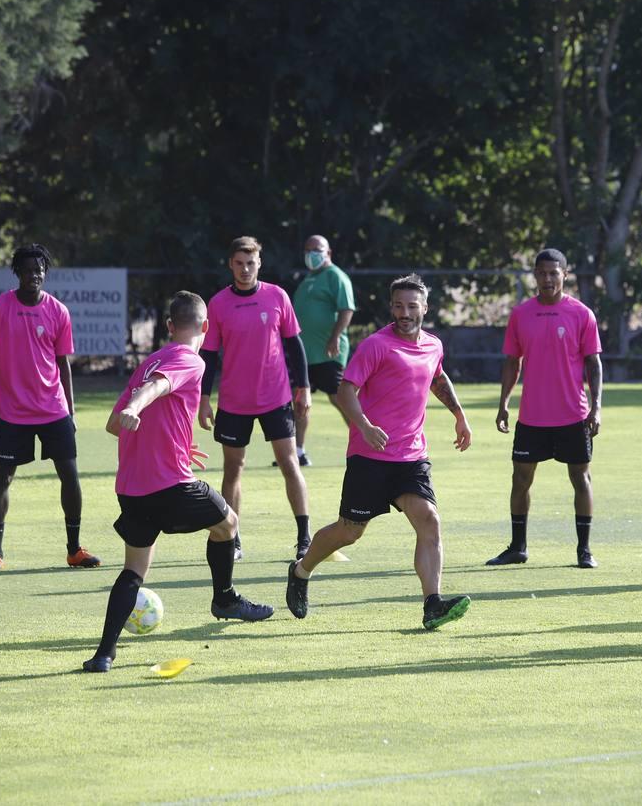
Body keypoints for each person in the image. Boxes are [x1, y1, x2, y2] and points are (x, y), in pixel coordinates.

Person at [83, 292, 273, 673]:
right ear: (205, 327)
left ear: (169, 326)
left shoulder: (149, 360)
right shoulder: (190, 360)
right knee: (229, 524)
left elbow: (113, 424)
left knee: (134, 570)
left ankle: (104, 654)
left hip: (132, 488)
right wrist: (138, 407)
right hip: (169, 485)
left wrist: (172, 441)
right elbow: (157, 389)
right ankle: (225, 599)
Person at [285, 274, 474, 630]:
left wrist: (459, 414)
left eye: (412, 306)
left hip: (411, 456)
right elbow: (345, 391)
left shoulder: (433, 345)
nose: (405, 313)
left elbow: (437, 377)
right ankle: (301, 570)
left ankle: (432, 603)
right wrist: (365, 426)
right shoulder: (376, 345)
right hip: (370, 456)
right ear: (391, 307)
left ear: (425, 308)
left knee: (429, 520)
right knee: (349, 531)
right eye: (399, 306)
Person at [0, 244, 98, 571]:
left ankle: (74, 549)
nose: (34, 275)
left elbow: (63, 364)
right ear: (17, 273)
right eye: (28, 270)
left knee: (70, 476)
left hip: (54, 410)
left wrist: (72, 411)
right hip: (13, 413)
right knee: (2, 478)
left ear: (45, 273)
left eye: (40, 270)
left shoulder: (58, 311)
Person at [198, 236, 312, 560]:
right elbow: (208, 355)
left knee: (290, 463)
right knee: (233, 468)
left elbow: (294, 345)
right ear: (230, 264)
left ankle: (304, 539)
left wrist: (302, 388)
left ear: (260, 262)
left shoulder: (277, 296)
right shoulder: (218, 304)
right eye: (239, 263)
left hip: (276, 398)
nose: (245, 269)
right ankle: (231, 539)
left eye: (251, 263)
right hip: (234, 402)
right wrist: (204, 398)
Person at [488, 248, 603, 568]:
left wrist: (596, 408)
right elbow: (513, 362)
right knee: (520, 479)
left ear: (565, 275)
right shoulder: (521, 314)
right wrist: (503, 404)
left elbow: (594, 364)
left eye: (555, 273)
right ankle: (517, 547)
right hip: (532, 417)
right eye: (542, 273)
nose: (548, 278)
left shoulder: (582, 314)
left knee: (581, 479)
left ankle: (584, 550)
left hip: (573, 415)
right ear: (535, 275)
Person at [288, 235, 355, 467]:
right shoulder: (308, 280)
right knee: (300, 401)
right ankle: (298, 452)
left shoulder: (335, 276)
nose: (311, 254)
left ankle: (364, 444)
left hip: (329, 352)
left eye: (317, 249)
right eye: (307, 250)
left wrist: (334, 337)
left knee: (340, 398)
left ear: (328, 253)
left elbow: (347, 310)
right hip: (305, 355)